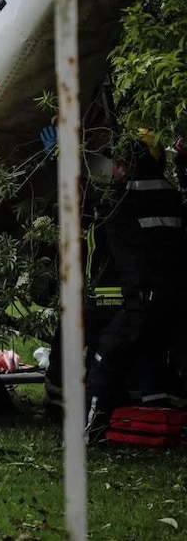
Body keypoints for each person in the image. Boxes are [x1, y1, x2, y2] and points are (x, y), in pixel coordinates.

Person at [85, 139, 187, 440]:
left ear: (124, 166)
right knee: (174, 354)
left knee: (107, 355)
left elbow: (86, 204)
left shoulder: (119, 197)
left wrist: (62, 159)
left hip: (142, 299)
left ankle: (93, 430)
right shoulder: (171, 195)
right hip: (178, 297)